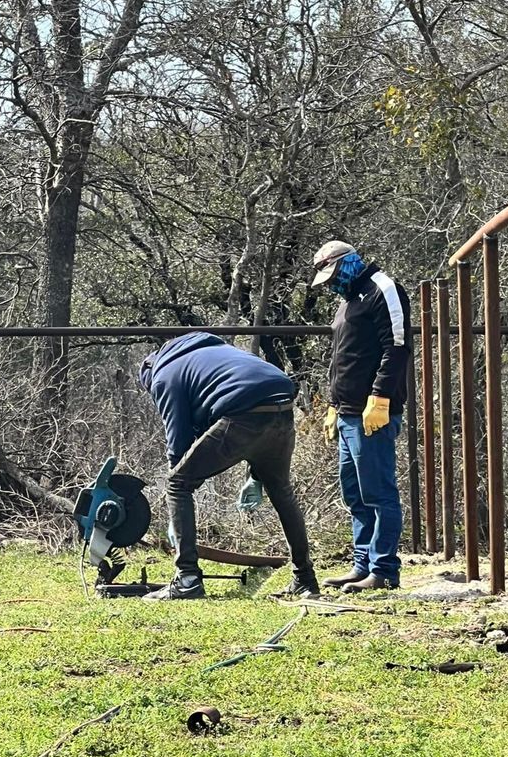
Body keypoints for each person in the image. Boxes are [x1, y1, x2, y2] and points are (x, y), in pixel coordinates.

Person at [138, 330, 319, 600]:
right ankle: (305, 579)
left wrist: (179, 510)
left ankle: (186, 579)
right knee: (281, 491)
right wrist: (256, 475)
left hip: (242, 412)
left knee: (177, 484)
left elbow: (178, 442)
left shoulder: (164, 374)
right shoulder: (210, 353)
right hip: (282, 404)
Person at [312, 240, 412, 593]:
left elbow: (397, 346)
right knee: (354, 494)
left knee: (378, 492)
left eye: (333, 275)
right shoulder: (347, 303)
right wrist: (331, 404)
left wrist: (380, 397)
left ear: (348, 263)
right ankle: (362, 565)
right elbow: (342, 357)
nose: (331, 284)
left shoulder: (383, 289)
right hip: (346, 412)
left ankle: (383, 569)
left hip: (371, 413)